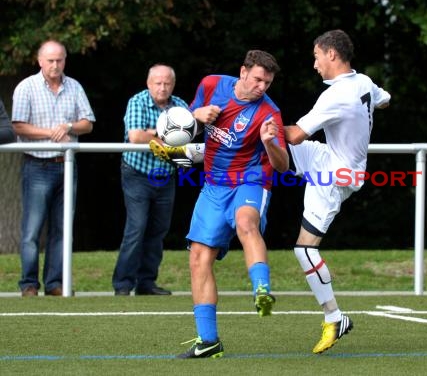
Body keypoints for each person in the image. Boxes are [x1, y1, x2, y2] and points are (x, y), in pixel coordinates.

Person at [149, 50, 288, 358]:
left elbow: (282, 165)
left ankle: (261, 290)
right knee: (198, 258)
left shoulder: (269, 113)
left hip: (251, 181)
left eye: (268, 82)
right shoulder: (211, 85)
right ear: (242, 72)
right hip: (214, 185)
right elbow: (190, 122)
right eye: (257, 80)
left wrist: (269, 142)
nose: (262, 87)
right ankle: (208, 341)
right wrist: (196, 116)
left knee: (245, 223)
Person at [284, 29, 391, 354]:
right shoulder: (364, 83)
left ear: (332, 55)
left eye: (316, 56)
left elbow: (295, 135)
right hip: (331, 160)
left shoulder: (336, 96)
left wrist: (266, 123)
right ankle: (194, 153)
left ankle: (335, 317)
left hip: (334, 175)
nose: (315, 64)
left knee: (305, 251)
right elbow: (385, 99)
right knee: (263, 151)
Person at [12, 40, 95, 297]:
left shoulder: (75, 87)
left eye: (59, 60)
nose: (55, 65)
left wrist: (68, 127)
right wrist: (51, 133)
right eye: (50, 60)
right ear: (40, 61)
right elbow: (18, 126)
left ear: (65, 61)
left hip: (67, 165)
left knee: (62, 229)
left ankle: (54, 284)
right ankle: (28, 285)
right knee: (32, 230)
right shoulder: (26, 87)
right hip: (37, 164)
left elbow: (88, 123)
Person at [112, 64, 189, 296]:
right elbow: (135, 136)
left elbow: (188, 137)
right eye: (158, 83)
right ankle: (123, 285)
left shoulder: (181, 105)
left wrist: (153, 133)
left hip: (165, 176)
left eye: (167, 83)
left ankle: (146, 283)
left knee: (158, 231)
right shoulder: (137, 101)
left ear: (173, 85)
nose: (162, 88)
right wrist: (167, 134)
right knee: (136, 228)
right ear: (149, 83)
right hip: (137, 173)